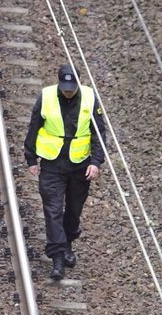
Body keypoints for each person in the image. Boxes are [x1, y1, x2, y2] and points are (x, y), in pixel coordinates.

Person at [24, 64, 107, 280]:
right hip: (52, 164)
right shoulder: (47, 96)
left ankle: (68, 241)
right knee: (52, 210)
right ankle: (57, 258)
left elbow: (99, 131)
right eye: (65, 87)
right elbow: (34, 126)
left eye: (71, 87)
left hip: (80, 164)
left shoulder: (89, 97)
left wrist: (96, 162)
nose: (68, 91)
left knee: (73, 210)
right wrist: (30, 157)